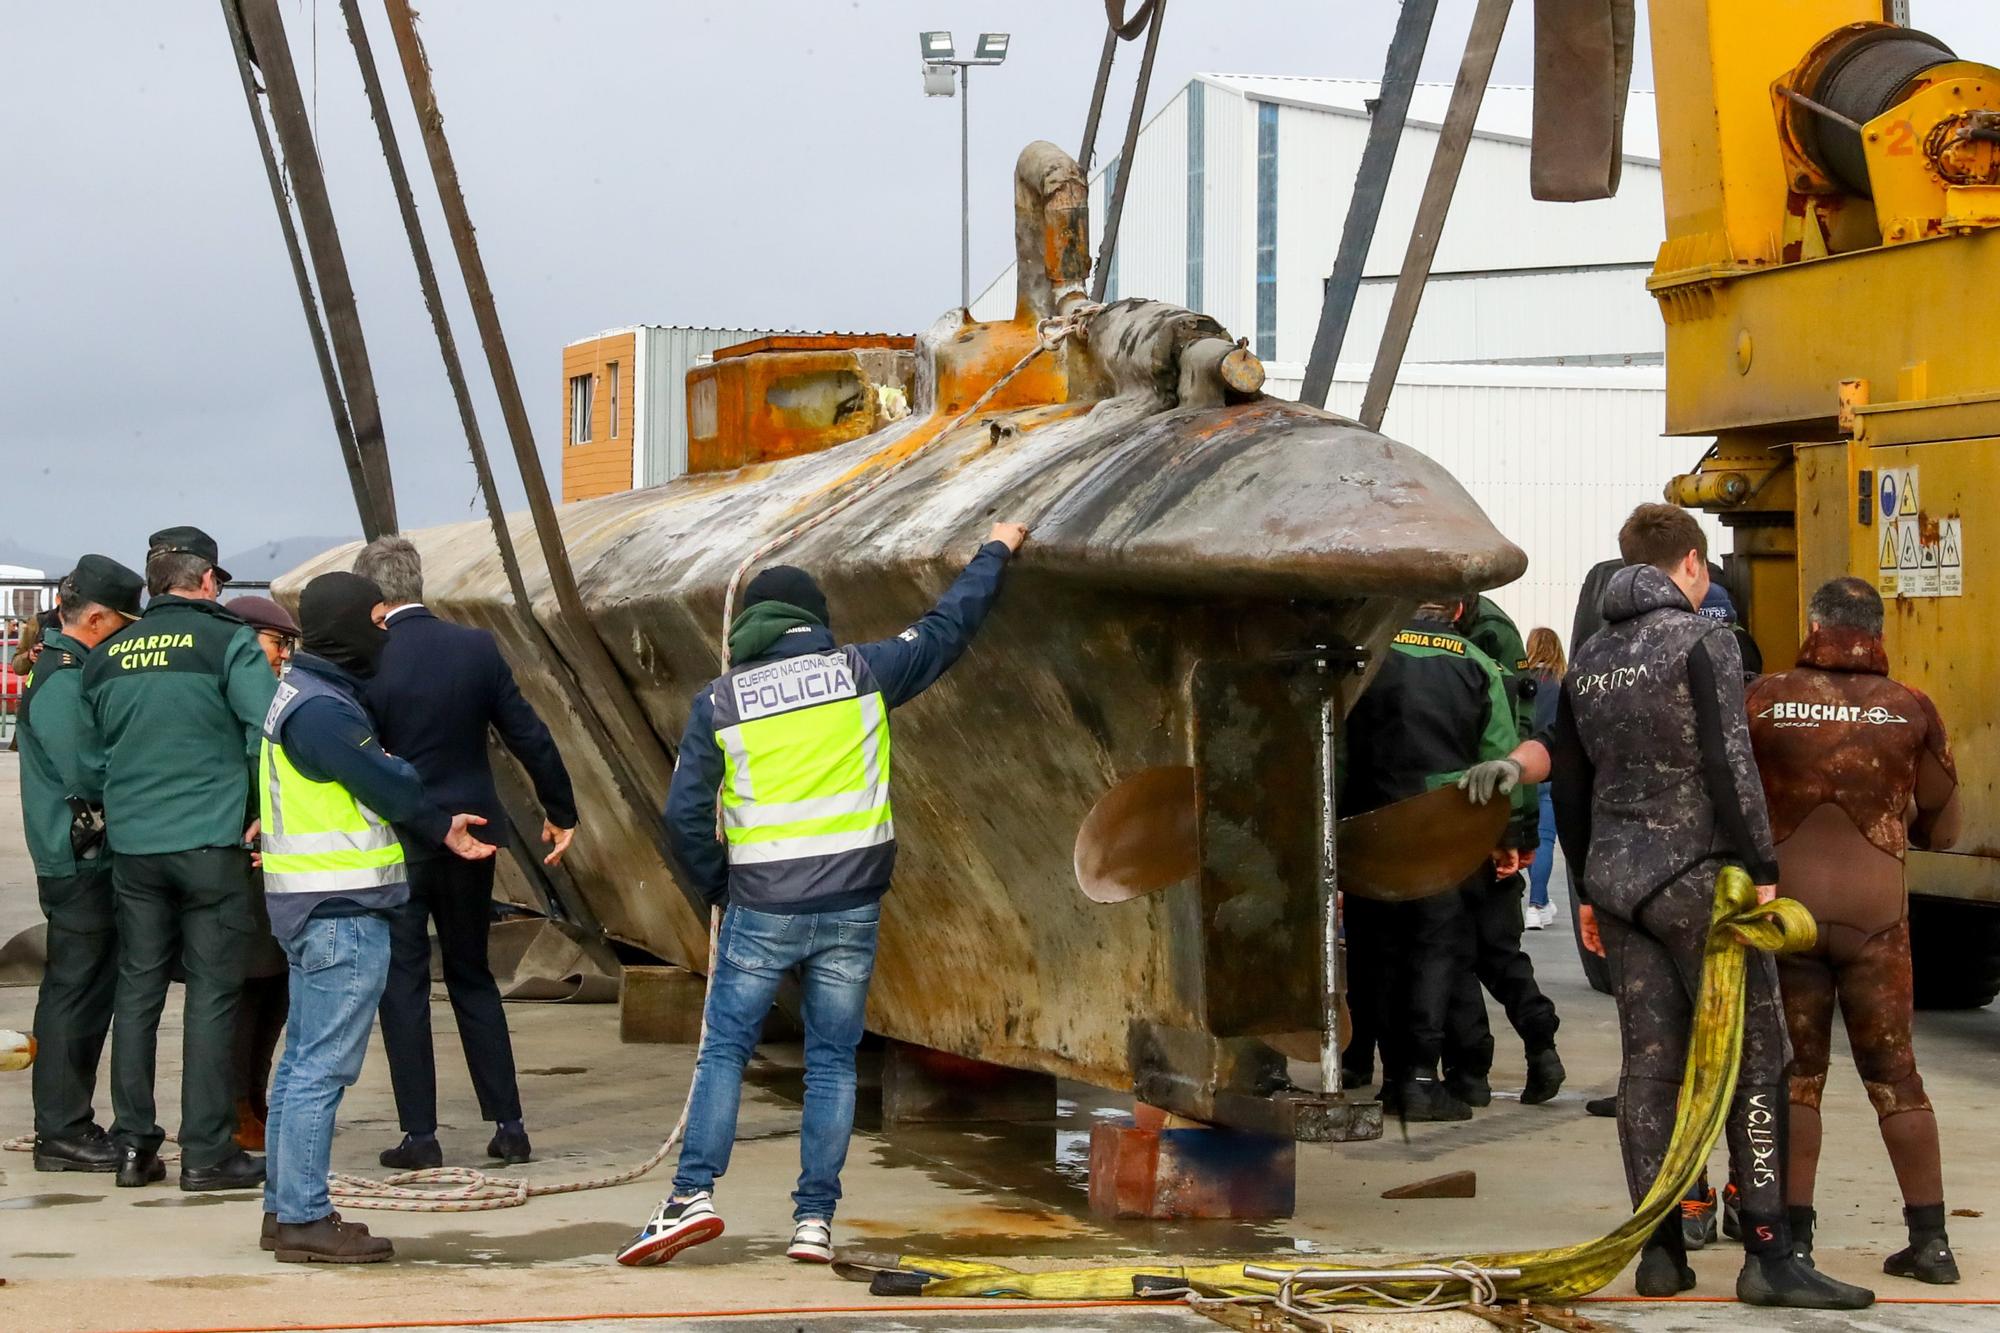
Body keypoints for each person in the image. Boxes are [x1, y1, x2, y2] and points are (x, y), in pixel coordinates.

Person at [1462, 503, 1873, 1310]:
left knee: (1651, 1066)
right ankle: (1767, 1250)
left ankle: (1657, 1250)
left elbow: (1572, 777)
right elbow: (1728, 756)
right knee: (1757, 1057)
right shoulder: (1702, 639)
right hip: (1699, 878)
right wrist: (1760, 868)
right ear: (1692, 564)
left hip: (1620, 884)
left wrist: (1585, 884)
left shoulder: (1593, 655)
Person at [617, 521, 1028, 1267]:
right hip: (852, 905)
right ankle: (813, 1222)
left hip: (762, 903)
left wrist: (720, 887)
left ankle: (690, 1196)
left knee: (725, 1050)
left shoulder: (721, 702)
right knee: (834, 1059)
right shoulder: (864, 672)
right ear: (815, 623)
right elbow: (947, 627)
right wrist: (995, 549)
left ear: (748, 629)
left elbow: (682, 817)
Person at [257, 572, 497, 1264]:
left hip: (311, 907)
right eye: (375, 620)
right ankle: (303, 1216)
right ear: (343, 627)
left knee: (300, 1060)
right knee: (321, 1067)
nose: (385, 632)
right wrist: (402, 773)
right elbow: (391, 782)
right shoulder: (324, 710)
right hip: (341, 910)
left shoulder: (302, 695)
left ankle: (285, 1208)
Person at [1746, 577, 1961, 1284]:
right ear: (1878, 629)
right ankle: (1931, 1243)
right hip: (1879, 917)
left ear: (1813, 623)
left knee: (1796, 1076)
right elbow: (1944, 820)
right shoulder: (1911, 706)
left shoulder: (1765, 698)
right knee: (1896, 1076)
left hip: (1790, 915)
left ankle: (1794, 1243)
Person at [353, 536, 577, 1171]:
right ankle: (509, 1125)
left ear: (372, 597)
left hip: (400, 839)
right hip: (474, 836)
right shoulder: (474, 647)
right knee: (474, 974)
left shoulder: (366, 658)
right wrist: (561, 810)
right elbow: (528, 734)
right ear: (417, 583)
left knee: (405, 984)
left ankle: (420, 1135)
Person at [81, 527, 276, 1192]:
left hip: (134, 847)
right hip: (210, 843)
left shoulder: (108, 654)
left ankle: (134, 1146)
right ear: (209, 579)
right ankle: (207, 1149)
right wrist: (257, 809)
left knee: (137, 992)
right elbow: (263, 731)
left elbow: (100, 748)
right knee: (213, 997)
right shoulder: (228, 642)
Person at [1338, 600, 1518, 1123]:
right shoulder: (1476, 662)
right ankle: (1420, 1079)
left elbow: (1335, 753)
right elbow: (1499, 758)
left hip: (1369, 833)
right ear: (1456, 609)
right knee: (1434, 954)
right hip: (1443, 835)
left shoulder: (1363, 659)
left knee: (1375, 956)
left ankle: (1391, 1079)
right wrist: (1507, 836)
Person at [17, 557, 141, 1171]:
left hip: (79, 855)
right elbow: (87, 770)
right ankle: (62, 1130)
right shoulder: (65, 679)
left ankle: (67, 1125)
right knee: (76, 992)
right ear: (96, 618)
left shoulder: (68, 668)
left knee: (86, 991)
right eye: (123, 623)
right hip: (80, 859)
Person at [1444, 597, 1563, 1108]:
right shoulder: (1489, 631)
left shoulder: (1484, 636)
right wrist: (1519, 832)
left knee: (1456, 957)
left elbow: (1513, 738)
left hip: (1457, 824)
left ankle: (1471, 1073)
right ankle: (1542, 1048)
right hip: (1488, 821)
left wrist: (1519, 833)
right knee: (1500, 953)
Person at [224, 595, 303, 1150]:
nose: (281, 657)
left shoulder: (272, 694)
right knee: (245, 990)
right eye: (277, 644)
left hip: (273, 860)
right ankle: (233, 1111)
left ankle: (254, 1098)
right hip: (239, 856)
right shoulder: (228, 691)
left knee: (273, 985)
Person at [1522, 627, 1565, 929]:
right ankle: (1537, 905)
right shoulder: (1565, 684)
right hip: (1552, 768)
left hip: (1522, 767)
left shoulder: (1521, 683)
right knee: (1545, 839)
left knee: (1518, 837)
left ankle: (1535, 901)